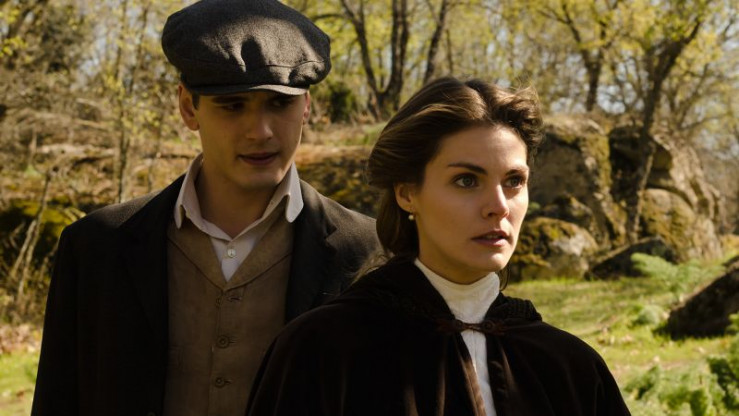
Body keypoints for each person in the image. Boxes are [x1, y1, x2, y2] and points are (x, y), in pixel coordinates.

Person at [31, 1, 379, 415]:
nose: (260, 131)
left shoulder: (368, 252)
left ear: (306, 106)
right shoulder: (96, 247)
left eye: (278, 103)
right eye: (233, 105)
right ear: (187, 107)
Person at [246, 77, 631, 416]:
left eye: (514, 181)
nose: (499, 205)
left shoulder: (568, 366)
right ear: (407, 193)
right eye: (467, 180)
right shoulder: (324, 350)